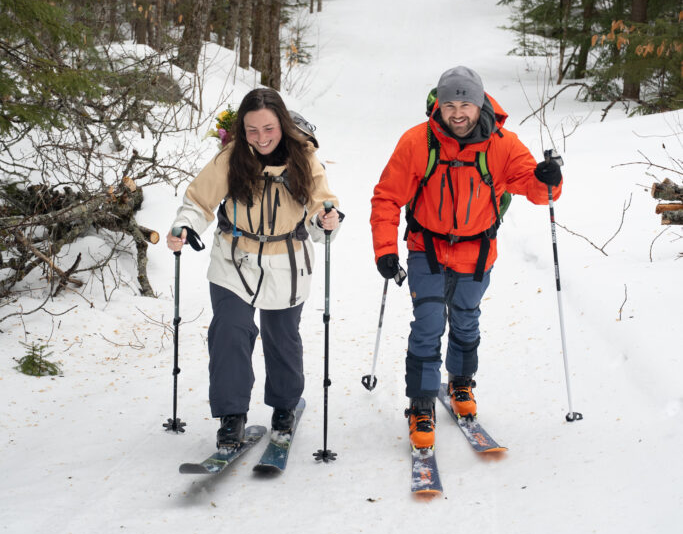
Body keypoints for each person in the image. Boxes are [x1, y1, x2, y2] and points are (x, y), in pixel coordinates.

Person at [370, 66, 562, 449]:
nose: (457, 113)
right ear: (438, 105)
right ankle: (421, 404)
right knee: (427, 324)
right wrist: (386, 250)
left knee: (466, 321)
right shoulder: (417, 142)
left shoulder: (504, 145)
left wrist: (548, 178)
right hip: (427, 248)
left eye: (466, 104)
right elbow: (387, 197)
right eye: (449, 104)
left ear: (480, 104)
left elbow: (539, 193)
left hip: (477, 253)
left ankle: (460, 382)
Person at [167, 87, 341, 449]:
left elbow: (322, 206)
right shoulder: (231, 158)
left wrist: (327, 220)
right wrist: (184, 226)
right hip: (235, 258)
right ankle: (232, 418)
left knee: (282, 339)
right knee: (229, 332)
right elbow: (199, 200)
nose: (261, 138)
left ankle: (284, 407)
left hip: (286, 261)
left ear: (283, 124)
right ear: (242, 130)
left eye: (269, 128)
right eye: (252, 130)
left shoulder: (304, 159)